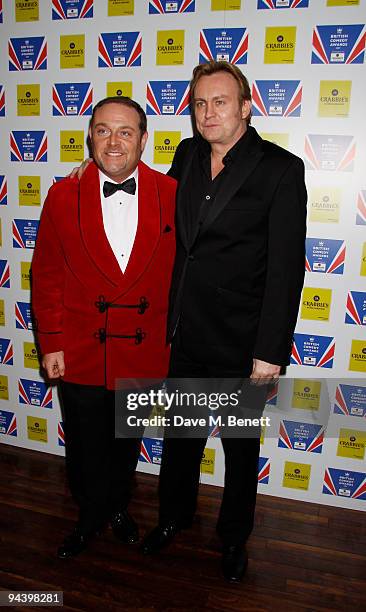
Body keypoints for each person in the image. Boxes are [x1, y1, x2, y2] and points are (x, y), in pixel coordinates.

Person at [72, 61, 307, 582]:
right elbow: (149, 194)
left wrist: (270, 351)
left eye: (220, 101)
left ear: (246, 107)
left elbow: (288, 269)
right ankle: (174, 518)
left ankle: (233, 538)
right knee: (181, 441)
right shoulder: (186, 154)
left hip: (243, 342)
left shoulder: (280, 169)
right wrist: (92, 170)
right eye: (200, 103)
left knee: (240, 449)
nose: (208, 113)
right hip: (182, 332)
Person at [31, 96, 176, 559]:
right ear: (90, 136)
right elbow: (47, 275)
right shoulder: (61, 193)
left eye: (126, 131)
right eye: (103, 130)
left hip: (142, 349)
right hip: (80, 350)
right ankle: (88, 515)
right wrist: (50, 344)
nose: (114, 141)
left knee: (125, 443)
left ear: (143, 139)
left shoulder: (173, 193)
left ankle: (117, 507)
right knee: (84, 445)